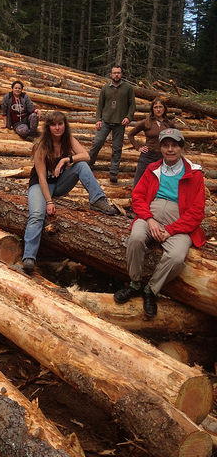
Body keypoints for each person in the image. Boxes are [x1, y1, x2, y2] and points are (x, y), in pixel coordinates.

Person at [113, 128, 205, 317]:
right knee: (136, 238)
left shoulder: (195, 174)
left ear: (181, 148)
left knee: (177, 256)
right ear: (161, 148)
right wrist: (149, 220)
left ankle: (151, 290)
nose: (170, 150)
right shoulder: (153, 168)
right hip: (150, 215)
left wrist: (171, 230)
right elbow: (137, 196)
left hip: (179, 222)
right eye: (166, 146)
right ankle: (135, 283)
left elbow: (197, 212)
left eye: (174, 146)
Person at [22, 111, 118, 273]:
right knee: (37, 214)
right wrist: (49, 202)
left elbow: (86, 156)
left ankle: (98, 200)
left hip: (59, 183)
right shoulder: (41, 146)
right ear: (48, 127)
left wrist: (67, 160)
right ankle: (29, 257)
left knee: (81, 166)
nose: (57, 128)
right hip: (40, 185)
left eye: (60, 124)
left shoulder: (68, 140)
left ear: (65, 125)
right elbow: (41, 177)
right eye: (53, 125)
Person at [88, 65, 136, 184]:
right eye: (114, 73)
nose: (116, 75)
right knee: (97, 142)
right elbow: (100, 105)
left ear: (121, 74)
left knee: (117, 148)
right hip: (105, 121)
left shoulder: (128, 88)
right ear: (111, 74)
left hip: (120, 122)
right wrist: (98, 119)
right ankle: (89, 164)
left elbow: (132, 105)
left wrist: (128, 118)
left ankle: (114, 173)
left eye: (118, 73)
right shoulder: (105, 88)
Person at [128, 97, 175, 187]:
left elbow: (177, 139)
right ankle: (136, 200)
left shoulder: (169, 124)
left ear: (164, 108)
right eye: (155, 107)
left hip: (163, 157)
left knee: (159, 183)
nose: (158, 109)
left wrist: (172, 151)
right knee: (139, 182)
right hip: (147, 156)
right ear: (152, 109)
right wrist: (138, 147)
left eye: (160, 107)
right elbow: (131, 134)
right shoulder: (147, 122)